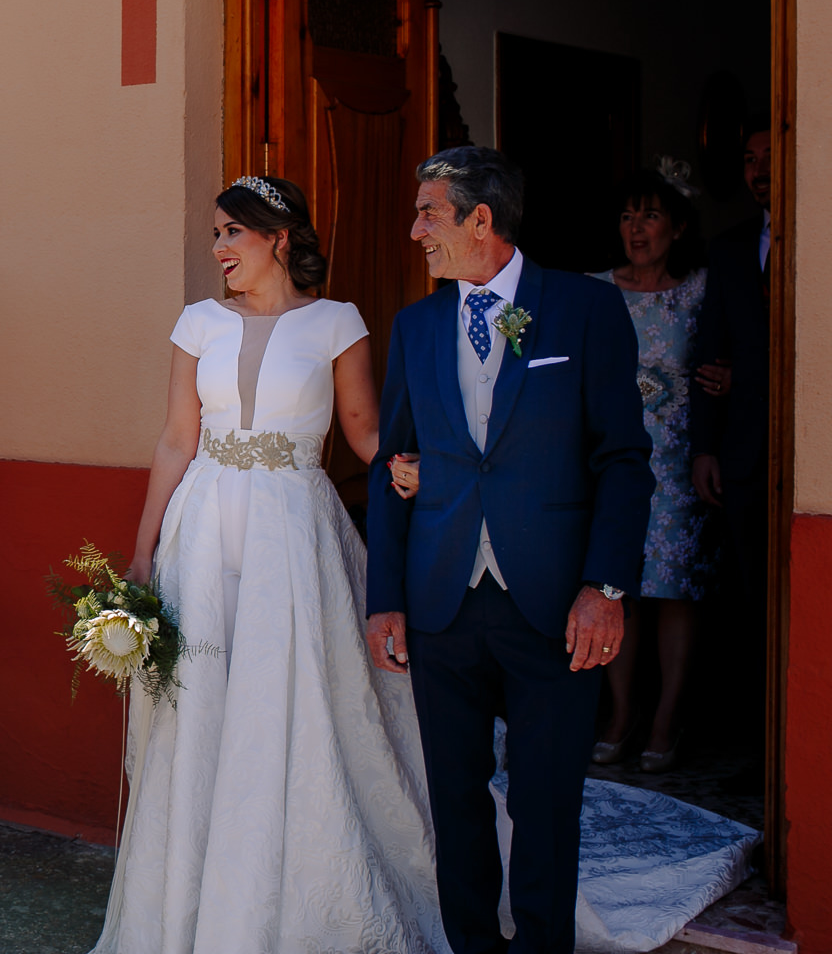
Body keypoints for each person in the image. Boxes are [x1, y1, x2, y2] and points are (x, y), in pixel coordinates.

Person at [90, 175, 446, 951]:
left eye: (233, 233)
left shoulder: (336, 323)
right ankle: (189, 901)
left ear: (280, 239)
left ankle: (287, 899)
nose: (218, 248)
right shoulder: (196, 324)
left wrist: (425, 468)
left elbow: (363, 434)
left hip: (293, 530)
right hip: (205, 526)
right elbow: (177, 440)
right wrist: (144, 553)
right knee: (202, 702)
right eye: (215, 234)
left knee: (290, 703)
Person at [367, 147, 653, 954]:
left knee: (547, 800)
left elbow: (623, 461)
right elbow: (393, 467)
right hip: (441, 602)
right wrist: (385, 596)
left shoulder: (585, 310)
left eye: (430, 212)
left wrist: (606, 587)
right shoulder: (416, 325)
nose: (416, 229)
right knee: (453, 800)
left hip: (554, 601)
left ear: (480, 220)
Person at [590, 163, 712, 774]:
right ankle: (620, 711)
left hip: (681, 465)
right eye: (627, 215)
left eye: (651, 214)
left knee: (675, 590)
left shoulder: (700, 293)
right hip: (613, 461)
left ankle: (667, 717)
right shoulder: (592, 290)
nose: (636, 228)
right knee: (620, 586)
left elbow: (740, 347)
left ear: (679, 226)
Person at [690, 127, 772, 789]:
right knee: (749, 603)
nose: (759, 171)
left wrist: (750, 377)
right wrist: (706, 447)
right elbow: (710, 355)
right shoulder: (732, 248)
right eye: (750, 160)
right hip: (740, 455)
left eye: (772, 157)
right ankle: (759, 752)